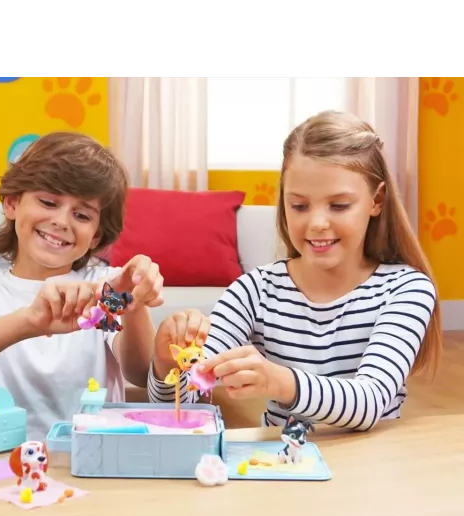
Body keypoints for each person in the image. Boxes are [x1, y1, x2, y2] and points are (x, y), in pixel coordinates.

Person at [147, 110, 441, 432]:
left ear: (377, 200)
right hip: (280, 459)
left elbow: (369, 402)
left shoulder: (406, 289)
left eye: (339, 205)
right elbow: (179, 406)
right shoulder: (254, 291)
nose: (317, 223)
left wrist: (279, 381)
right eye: (299, 206)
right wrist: (166, 364)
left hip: (372, 459)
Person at [0, 132, 164, 441]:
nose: (61, 221)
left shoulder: (104, 287)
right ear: (12, 203)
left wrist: (133, 304)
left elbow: (141, 373)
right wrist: (29, 322)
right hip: (4, 458)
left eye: (81, 215)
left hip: (94, 456)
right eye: (48, 202)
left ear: (96, 237)